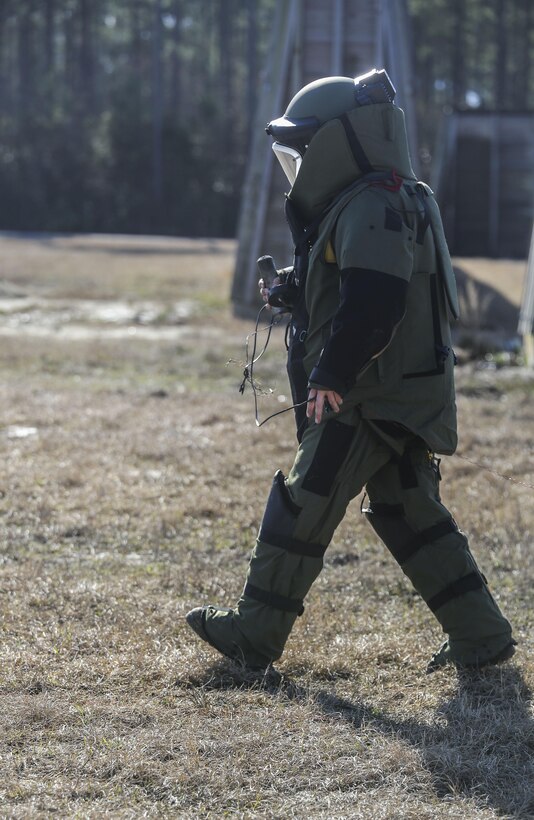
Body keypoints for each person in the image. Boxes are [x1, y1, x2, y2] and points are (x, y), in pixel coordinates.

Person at [186, 69, 516, 673]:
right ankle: (483, 634)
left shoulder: (371, 201)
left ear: (340, 141)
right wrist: (295, 290)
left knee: (303, 502)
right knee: (406, 509)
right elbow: (360, 285)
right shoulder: (390, 195)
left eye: (305, 148)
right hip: (398, 393)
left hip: (367, 395)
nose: (300, 162)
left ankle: (254, 636)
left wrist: (331, 373)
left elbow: (375, 305)